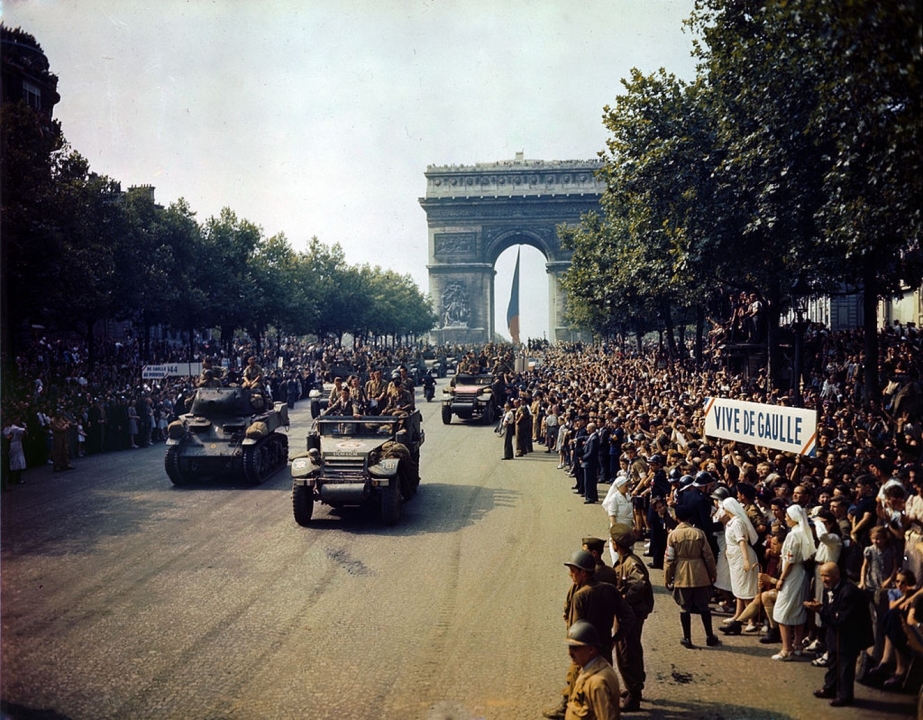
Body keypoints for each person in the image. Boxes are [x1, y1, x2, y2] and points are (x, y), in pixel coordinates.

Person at [805, 562, 874, 707]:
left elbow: (841, 618)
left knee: (845, 666)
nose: (824, 579)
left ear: (836, 575)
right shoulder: (829, 589)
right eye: (822, 575)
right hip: (834, 632)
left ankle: (845, 696)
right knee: (832, 661)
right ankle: (830, 688)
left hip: (849, 634)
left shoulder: (848, 592)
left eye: (827, 576)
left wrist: (821, 610)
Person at [664, 504, 721, 648]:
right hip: (700, 573)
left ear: (677, 518)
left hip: (682, 574)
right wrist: (712, 573)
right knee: (704, 606)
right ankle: (709, 636)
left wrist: (667, 577)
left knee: (685, 607)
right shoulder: (699, 533)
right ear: (690, 517)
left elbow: (669, 560)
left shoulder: (672, 536)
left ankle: (687, 638)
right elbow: (708, 556)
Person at [610, 524, 653, 712]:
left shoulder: (631, 563)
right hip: (630, 614)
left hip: (631, 615)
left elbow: (639, 584)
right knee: (628, 650)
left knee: (627, 653)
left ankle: (634, 694)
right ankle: (632, 688)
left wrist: (625, 599)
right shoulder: (623, 560)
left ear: (617, 544)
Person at [771, 505, 816, 661]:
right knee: (797, 609)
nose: (786, 519)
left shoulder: (793, 535)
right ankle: (797, 645)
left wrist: (782, 578)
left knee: (782, 611)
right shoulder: (804, 532)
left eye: (788, 516)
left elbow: (789, 560)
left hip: (792, 575)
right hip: (801, 574)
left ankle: (786, 649)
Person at [562, 620, 621, 720]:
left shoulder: (597, 684)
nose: (570, 653)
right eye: (569, 647)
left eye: (575, 648)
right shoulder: (591, 667)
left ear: (591, 650)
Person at [717, 496, 760, 633]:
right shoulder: (731, 522)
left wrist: (746, 560)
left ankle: (751, 620)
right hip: (734, 558)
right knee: (738, 588)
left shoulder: (737, 523)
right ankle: (738, 615)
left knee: (746, 589)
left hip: (742, 557)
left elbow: (742, 541)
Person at [3, 418, 27, 487]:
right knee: (17, 461)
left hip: (14, 445)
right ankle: (16, 478)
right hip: (14, 445)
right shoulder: (13, 428)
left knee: (15, 461)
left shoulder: (9, 428)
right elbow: (24, 431)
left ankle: (13, 478)